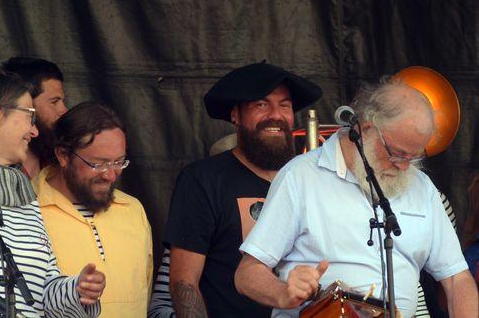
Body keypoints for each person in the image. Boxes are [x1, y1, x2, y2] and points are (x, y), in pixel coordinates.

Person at [235, 80, 478, 317]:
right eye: (397, 154)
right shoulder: (300, 176)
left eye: (414, 157)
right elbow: (247, 274)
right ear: (366, 128)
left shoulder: (422, 188)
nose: (405, 167)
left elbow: (457, 279)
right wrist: (282, 293)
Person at [157, 62, 322, 318]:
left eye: (284, 105)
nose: (275, 115)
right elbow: (184, 283)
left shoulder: (307, 179)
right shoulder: (203, 180)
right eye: (261, 104)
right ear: (235, 115)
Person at [0, 72, 105, 317]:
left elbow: (42, 290)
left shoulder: (26, 198)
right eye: (29, 116)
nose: (34, 132)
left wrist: (76, 290)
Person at [31, 101, 153, 317]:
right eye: (99, 164)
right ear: (63, 155)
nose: (111, 175)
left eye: (119, 162)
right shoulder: (28, 211)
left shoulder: (133, 210)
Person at [1, 56, 68, 178]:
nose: (64, 111)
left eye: (62, 101)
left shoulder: (59, 161)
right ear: (25, 102)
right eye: (54, 102)